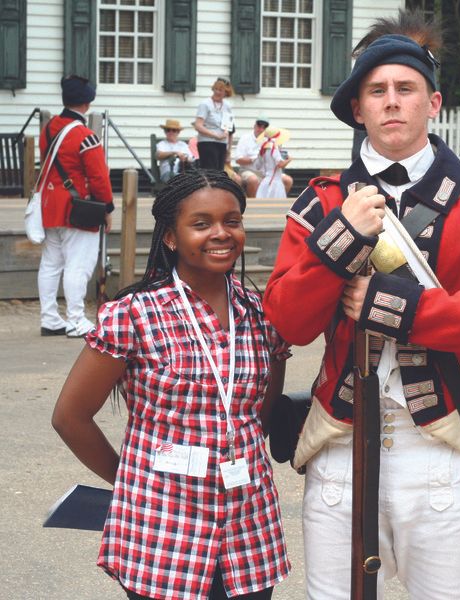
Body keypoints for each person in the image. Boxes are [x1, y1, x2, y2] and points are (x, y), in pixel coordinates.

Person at [263, 31, 460, 600]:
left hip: (438, 444)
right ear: (358, 108)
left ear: (432, 103)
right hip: (340, 442)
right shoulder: (320, 202)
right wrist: (341, 238)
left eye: (406, 89)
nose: (391, 101)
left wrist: (402, 310)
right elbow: (287, 322)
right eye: (377, 90)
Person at [51, 170, 291, 600]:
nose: (221, 233)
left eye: (232, 221)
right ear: (171, 238)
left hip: (247, 528)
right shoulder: (133, 315)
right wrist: (129, 479)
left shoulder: (261, 312)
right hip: (163, 529)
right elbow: (70, 417)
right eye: (201, 224)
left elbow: (260, 415)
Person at [37, 75, 114, 338]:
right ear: (87, 102)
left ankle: (49, 318)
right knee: (78, 265)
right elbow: (99, 178)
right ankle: (76, 320)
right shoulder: (85, 135)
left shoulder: (47, 129)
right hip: (77, 208)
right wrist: (108, 208)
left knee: (50, 263)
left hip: (49, 206)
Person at [195, 77, 235, 171]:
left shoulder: (227, 106)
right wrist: (215, 135)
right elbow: (198, 125)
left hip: (222, 144)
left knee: (220, 173)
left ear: (226, 92)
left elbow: (230, 130)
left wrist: (228, 152)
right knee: (210, 173)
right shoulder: (205, 104)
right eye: (215, 89)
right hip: (207, 142)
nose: (217, 92)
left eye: (221, 90)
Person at [254, 127, 293, 199]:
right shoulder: (274, 148)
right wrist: (289, 159)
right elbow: (280, 164)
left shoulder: (263, 148)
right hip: (275, 182)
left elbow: (257, 166)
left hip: (265, 181)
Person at [155, 118, 194, 183]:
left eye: (174, 130)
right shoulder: (162, 144)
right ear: (165, 131)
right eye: (168, 130)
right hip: (168, 173)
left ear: (178, 132)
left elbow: (191, 158)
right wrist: (174, 153)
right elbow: (158, 155)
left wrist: (185, 158)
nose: (171, 132)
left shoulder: (183, 145)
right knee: (182, 180)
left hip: (183, 172)